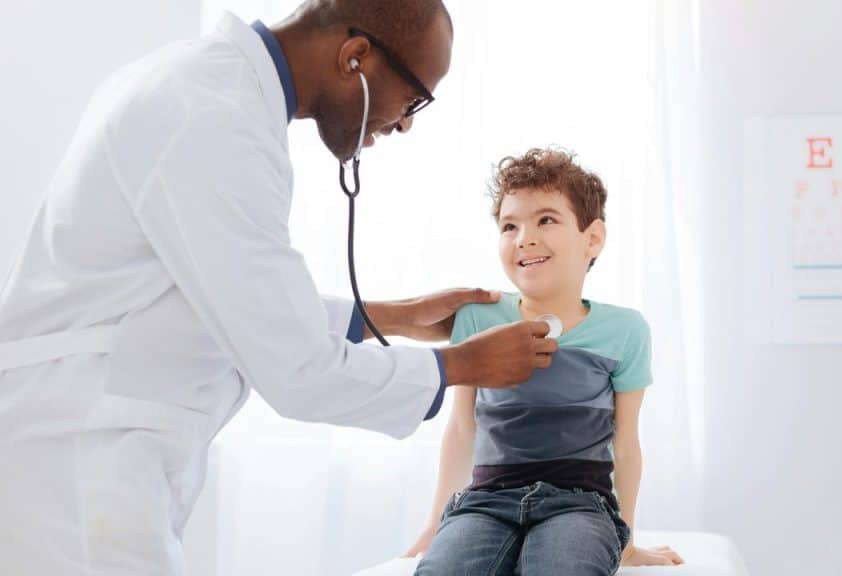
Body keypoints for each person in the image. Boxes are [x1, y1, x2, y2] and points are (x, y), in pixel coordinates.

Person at [0, 1, 556, 574]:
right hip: (74, 462)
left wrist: (396, 316)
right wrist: (461, 365)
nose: (406, 122)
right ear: (356, 58)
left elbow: (218, 296)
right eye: (414, 98)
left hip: (95, 453)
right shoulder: (211, 120)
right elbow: (299, 371)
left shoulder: (207, 90)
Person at [406, 147, 684, 574]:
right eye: (509, 225)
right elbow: (462, 427)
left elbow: (626, 443)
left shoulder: (625, 330)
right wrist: (433, 525)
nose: (524, 238)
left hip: (581, 503)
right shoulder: (478, 318)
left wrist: (625, 539)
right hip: (485, 501)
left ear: (592, 238)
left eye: (546, 220)